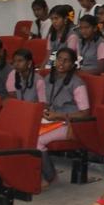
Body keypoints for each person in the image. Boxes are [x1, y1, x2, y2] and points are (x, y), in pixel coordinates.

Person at [38, 47, 93, 182]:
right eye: (59, 59)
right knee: (24, 134)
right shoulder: (48, 78)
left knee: (36, 142)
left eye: (66, 61)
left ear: (73, 64)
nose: (61, 63)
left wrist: (58, 116)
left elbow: (85, 113)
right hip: (49, 119)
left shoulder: (77, 83)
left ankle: (50, 176)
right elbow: (44, 101)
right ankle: (34, 175)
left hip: (67, 124)